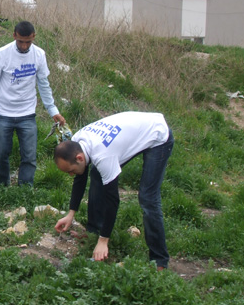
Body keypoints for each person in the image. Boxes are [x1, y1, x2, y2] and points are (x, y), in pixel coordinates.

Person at [53, 111, 174, 270]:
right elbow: (80, 176)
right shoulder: (76, 141)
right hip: (132, 130)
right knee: (97, 174)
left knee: (148, 198)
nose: (70, 174)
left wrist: (105, 241)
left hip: (157, 134)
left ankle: (159, 260)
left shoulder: (103, 156)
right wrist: (71, 214)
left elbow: (113, 201)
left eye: (70, 170)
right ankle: (93, 233)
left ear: (80, 158)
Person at [0, 20, 65, 187]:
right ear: (14, 36)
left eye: (28, 42)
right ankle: (2, 185)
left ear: (34, 37)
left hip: (27, 113)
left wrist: (52, 110)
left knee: (29, 155)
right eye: (21, 41)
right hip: (3, 112)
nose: (25, 46)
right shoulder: (3, 53)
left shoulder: (39, 54)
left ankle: (25, 188)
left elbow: (43, 84)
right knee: (0, 154)